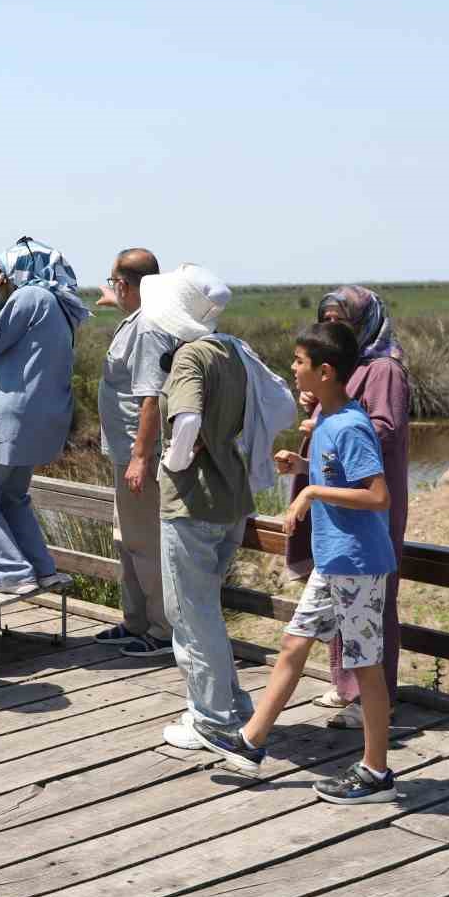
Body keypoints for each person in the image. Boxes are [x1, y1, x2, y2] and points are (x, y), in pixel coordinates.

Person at [192, 321, 399, 805]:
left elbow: (377, 495)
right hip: (333, 562)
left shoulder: (348, 424)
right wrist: (304, 467)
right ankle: (250, 742)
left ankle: (376, 774)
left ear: (325, 372)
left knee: (366, 665)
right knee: (292, 645)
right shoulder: (327, 418)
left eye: (300, 362)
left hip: (359, 564)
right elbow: (341, 475)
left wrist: (308, 491)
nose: (293, 368)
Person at [143, 264, 259, 752]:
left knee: (191, 615)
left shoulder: (190, 357)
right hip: (232, 496)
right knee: (205, 610)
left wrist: (170, 463)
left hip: (194, 502)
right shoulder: (230, 349)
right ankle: (230, 703)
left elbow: (186, 420)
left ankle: (211, 719)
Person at [295, 286, 411, 728]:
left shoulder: (383, 369)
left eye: (340, 321)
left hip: (370, 497)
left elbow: (383, 428)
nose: (332, 329)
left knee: (372, 598)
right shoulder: (345, 365)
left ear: (364, 322)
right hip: (336, 495)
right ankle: (347, 686)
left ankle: (376, 696)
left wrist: (330, 420)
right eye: (326, 320)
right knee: (341, 590)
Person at [0, 237, 85, 594]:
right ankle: (43, 570)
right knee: (13, 497)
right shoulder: (61, 305)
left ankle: (11, 573)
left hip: (10, 419)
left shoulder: (30, 297)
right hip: (40, 421)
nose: (1, 281)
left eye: (4, 274)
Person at [92, 248, 178, 659]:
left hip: (137, 454)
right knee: (126, 539)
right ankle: (136, 621)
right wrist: (116, 300)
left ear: (126, 284)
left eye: (115, 283)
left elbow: (151, 399)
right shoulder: (140, 319)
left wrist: (142, 458)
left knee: (145, 542)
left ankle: (162, 630)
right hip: (124, 452)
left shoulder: (148, 329)